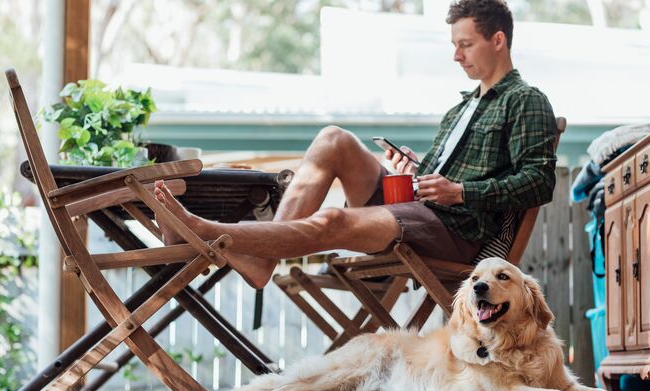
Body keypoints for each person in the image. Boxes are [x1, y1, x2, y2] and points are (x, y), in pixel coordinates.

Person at [154, 0, 558, 289]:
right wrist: (414, 170)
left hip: (456, 228)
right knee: (334, 139)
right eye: (454, 44)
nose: (456, 55)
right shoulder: (460, 109)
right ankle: (262, 259)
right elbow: (436, 178)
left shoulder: (525, 100)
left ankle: (207, 232)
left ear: (499, 40)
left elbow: (539, 182)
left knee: (333, 222)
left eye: (465, 44)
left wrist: (461, 191)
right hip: (417, 207)